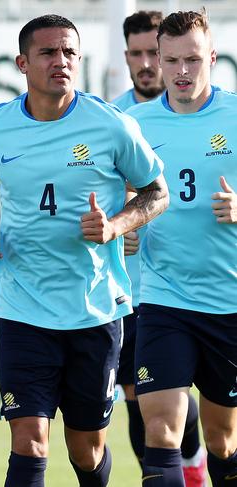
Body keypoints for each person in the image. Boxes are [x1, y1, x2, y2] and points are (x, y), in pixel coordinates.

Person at [0, 14, 169, 487]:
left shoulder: (111, 125)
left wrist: (115, 225)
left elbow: (157, 192)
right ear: (22, 63)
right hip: (22, 309)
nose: (61, 62)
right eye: (49, 53)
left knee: (86, 450)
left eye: (69, 53)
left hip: (93, 310)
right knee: (30, 441)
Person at [127, 10, 237, 486]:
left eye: (193, 59)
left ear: (213, 58)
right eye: (171, 60)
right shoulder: (134, 124)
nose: (182, 71)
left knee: (222, 440)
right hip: (163, 298)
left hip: (228, 302)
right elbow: (121, 197)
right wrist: (123, 225)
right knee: (161, 429)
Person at [111, 11, 206, 485]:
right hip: (135, 288)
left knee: (198, 411)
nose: (148, 64)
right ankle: (176, 471)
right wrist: (121, 222)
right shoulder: (117, 120)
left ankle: (196, 460)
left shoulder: (215, 116)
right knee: (138, 395)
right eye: (138, 55)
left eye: (156, 54)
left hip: (206, 287)